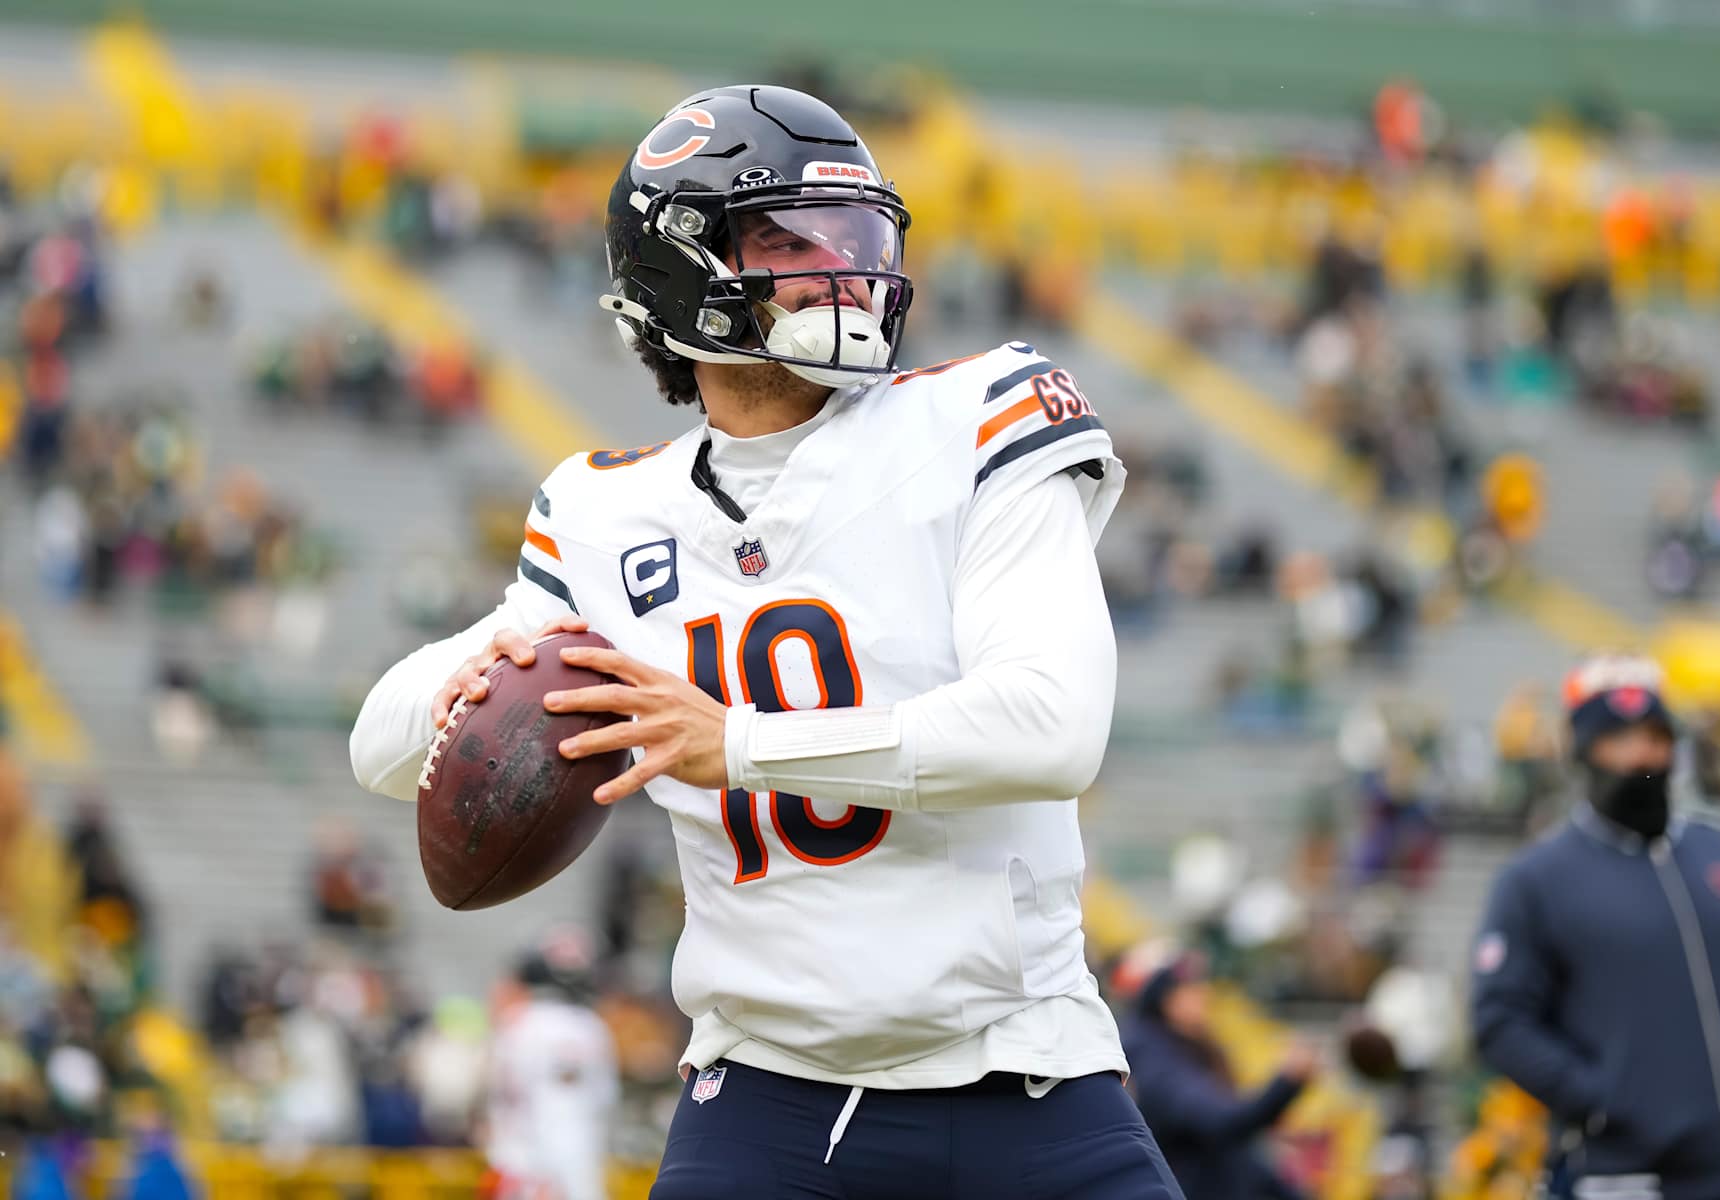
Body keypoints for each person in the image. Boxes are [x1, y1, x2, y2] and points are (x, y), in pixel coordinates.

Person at [350, 86, 1175, 1198]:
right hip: (765, 1105)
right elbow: (384, 749)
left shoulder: (980, 416)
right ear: (679, 270)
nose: (845, 273)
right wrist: (495, 667)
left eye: (856, 238)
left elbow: (1052, 729)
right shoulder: (608, 516)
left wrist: (735, 744)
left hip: (1023, 1076)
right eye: (790, 241)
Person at [1470, 656, 1720, 1200]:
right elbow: (1500, 1019)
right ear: (1584, 751)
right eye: (1618, 741)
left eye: (1655, 738)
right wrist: (1603, 1098)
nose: (1641, 756)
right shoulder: (1538, 879)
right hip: (1629, 1178)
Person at [1119, 949, 1315, 1200]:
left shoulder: (1186, 1044)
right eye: (1189, 987)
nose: (1204, 995)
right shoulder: (1152, 1055)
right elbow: (1222, 1123)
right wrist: (1285, 1083)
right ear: (1162, 996)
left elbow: (1235, 1148)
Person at [484, 930, 618, 1200]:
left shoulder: (518, 1024)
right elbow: (602, 1100)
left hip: (523, 1161)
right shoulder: (590, 1026)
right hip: (570, 1161)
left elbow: (510, 1097)